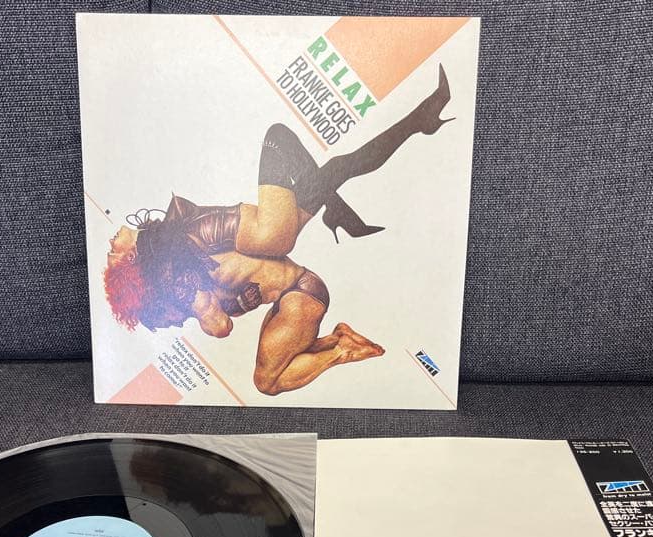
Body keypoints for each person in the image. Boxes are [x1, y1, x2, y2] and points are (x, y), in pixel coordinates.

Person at [105, 66, 454, 395]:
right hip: (288, 272)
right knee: (266, 382)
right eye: (112, 253)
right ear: (134, 261)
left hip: (281, 254)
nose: (109, 244)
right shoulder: (186, 268)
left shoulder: (185, 261)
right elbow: (221, 318)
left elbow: (221, 312)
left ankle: (418, 122)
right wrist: (212, 301)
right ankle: (340, 344)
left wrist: (208, 302)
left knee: (331, 166)